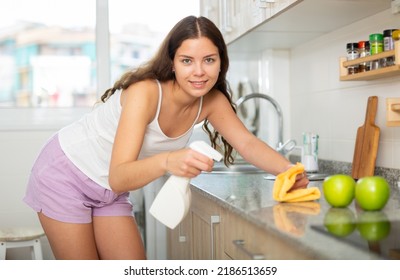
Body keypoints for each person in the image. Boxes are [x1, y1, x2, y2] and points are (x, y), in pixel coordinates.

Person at [23, 15, 309, 260]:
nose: (199, 71)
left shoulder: (211, 101)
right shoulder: (146, 93)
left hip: (108, 191)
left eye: (209, 60)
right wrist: (169, 160)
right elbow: (119, 176)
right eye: (187, 61)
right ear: (172, 62)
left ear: (221, 62)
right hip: (65, 174)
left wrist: (290, 171)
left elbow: (246, 143)